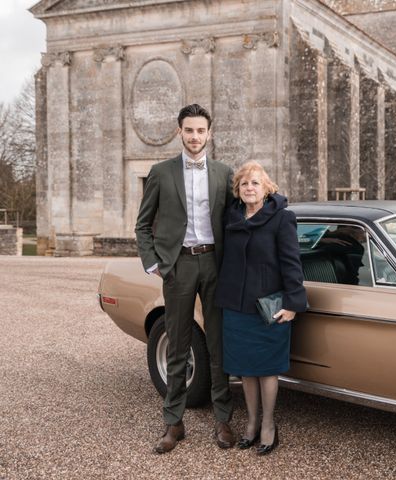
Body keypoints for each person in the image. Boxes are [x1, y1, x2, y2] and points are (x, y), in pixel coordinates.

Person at [135, 104, 235, 454]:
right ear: (180, 132)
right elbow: (143, 224)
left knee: (218, 342)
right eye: (189, 130)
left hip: (215, 264)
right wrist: (153, 262)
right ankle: (173, 422)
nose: (195, 137)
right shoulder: (161, 172)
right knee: (177, 343)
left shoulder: (224, 173)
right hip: (178, 265)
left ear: (209, 133)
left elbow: (238, 219)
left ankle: (223, 418)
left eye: (201, 131)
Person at [214, 161, 307, 455]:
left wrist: (293, 303)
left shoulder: (282, 219)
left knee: (267, 370)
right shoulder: (231, 217)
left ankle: (268, 424)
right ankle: (251, 423)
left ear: (267, 188)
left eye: (255, 183)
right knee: (245, 370)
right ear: (238, 191)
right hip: (235, 307)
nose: (250, 188)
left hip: (269, 308)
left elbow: (292, 263)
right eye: (244, 184)